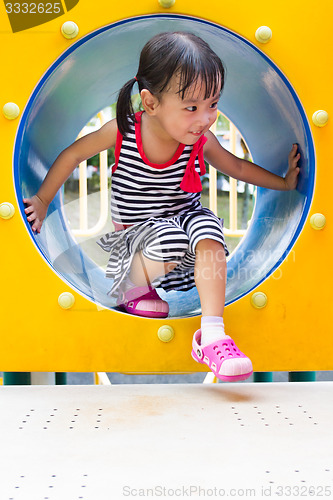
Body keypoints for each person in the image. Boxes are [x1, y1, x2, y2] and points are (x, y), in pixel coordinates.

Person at [23, 32, 300, 382]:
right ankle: (131, 288)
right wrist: (44, 200)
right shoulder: (124, 132)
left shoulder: (201, 140)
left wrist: (285, 183)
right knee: (169, 236)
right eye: (192, 108)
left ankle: (213, 335)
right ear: (150, 103)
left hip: (181, 230)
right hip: (137, 245)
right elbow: (74, 154)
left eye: (213, 104)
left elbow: (239, 168)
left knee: (209, 228)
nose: (206, 118)